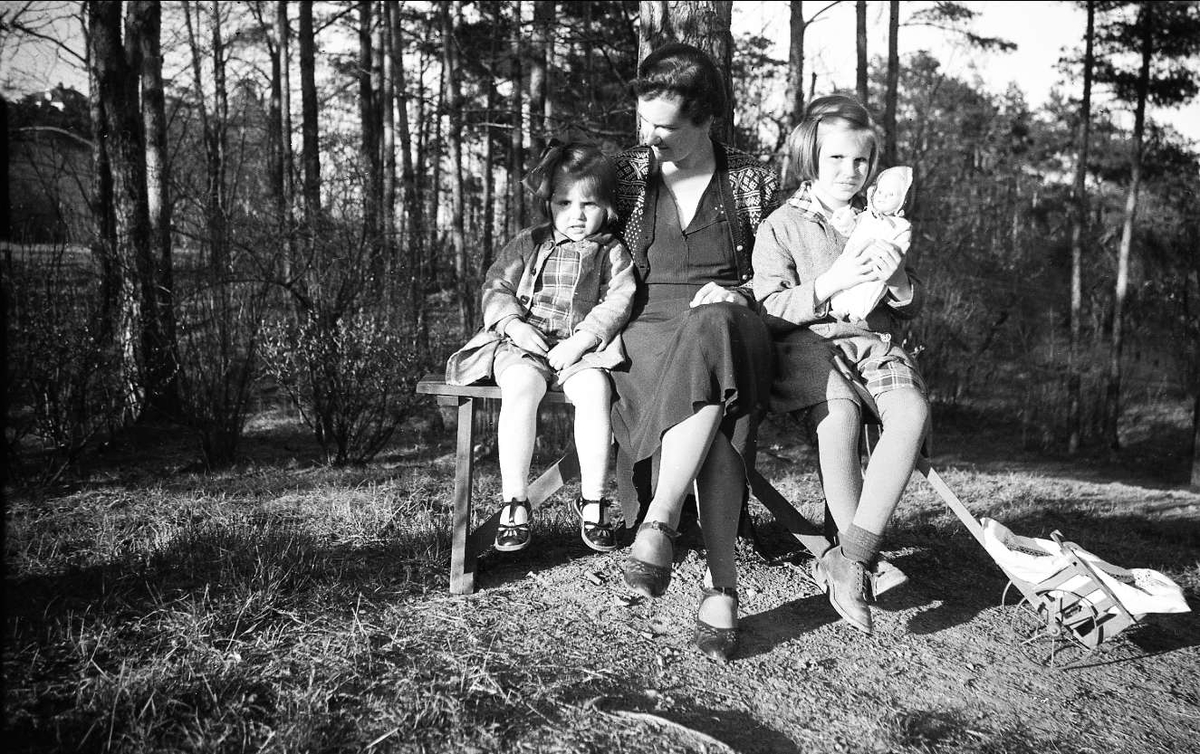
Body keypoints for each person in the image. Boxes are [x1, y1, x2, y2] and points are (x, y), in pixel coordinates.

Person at [610, 42, 780, 662]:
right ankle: (722, 590)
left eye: (668, 128)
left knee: (715, 328)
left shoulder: (752, 179)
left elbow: (777, 274)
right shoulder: (628, 174)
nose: (652, 138)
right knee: (721, 408)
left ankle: (660, 519)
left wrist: (738, 291)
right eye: (645, 122)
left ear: (707, 120)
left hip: (739, 323)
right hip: (648, 326)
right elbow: (584, 253)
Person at [752, 95, 930, 636]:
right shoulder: (783, 224)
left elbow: (910, 303)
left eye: (861, 162)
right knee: (841, 416)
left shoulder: (882, 222)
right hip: (809, 344)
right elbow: (770, 307)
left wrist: (898, 281)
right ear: (811, 158)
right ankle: (856, 563)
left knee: (912, 414)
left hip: (874, 343)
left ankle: (852, 558)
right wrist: (832, 281)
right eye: (836, 160)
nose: (849, 172)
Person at [445, 142, 636, 554]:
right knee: (521, 388)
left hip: (581, 349)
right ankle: (515, 502)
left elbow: (619, 300)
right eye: (564, 202)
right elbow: (496, 286)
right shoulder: (528, 243)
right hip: (524, 343)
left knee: (595, 392)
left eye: (589, 204)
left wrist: (583, 341)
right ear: (549, 203)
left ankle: (594, 502)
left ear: (608, 207)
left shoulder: (612, 252)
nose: (577, 215)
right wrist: (513, 325)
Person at [829, 165, 914, 321]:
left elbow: (902, 246)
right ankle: (840, 308)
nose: (883, 197)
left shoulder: (901, 225)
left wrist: (895, 256)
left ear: (902, 201)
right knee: (842, 282)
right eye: (880, 192)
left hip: (878, 265)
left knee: (870, 289)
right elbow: (849, 228)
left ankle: (857, 313)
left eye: (891, 194)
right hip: (851, 257)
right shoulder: (866, 216)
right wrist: (844, 220)